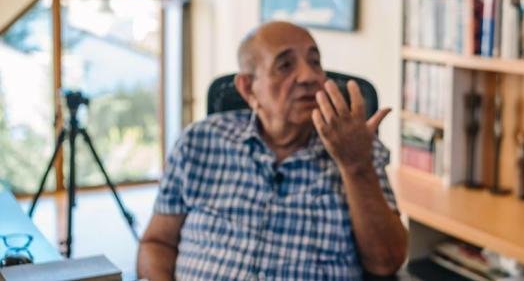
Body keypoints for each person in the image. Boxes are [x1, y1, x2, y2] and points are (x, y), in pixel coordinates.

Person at [137, 21, 407, 281]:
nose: (309, 76)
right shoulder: (200, 140)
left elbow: (386, 263)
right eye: (285, 65)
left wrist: (355, 165)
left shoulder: (354, 146)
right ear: (248, 88)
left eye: (315, 62)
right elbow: (157, 242)